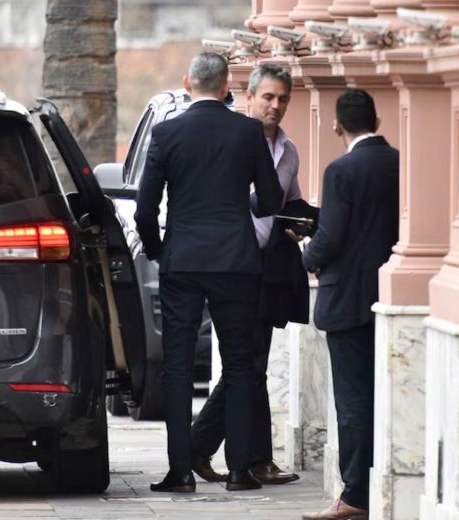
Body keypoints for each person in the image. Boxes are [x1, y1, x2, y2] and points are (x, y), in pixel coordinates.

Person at [135, 52, 284, 493]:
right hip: (235, 262)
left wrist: (161, 250)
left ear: (187, 84)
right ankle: (240, 470)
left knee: (177, 368)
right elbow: (272, 200)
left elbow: (146, 209)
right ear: (226, 89)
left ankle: (180, 472)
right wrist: (245, 206)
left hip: (182, 260)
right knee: (239, 363)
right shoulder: (248, 131)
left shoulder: (166, 133)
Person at [190, 62, 311, 486]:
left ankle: (241, 455)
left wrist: (306, 222)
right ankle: (208, 447)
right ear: (248, 97)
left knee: (251, 365)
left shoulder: (289, 152)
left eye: (282, 100)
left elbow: (289, 202)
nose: (275, 106)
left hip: (268, 269)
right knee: (248, 364)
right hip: (232, 266)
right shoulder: (229, 141)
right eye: (268, 97)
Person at [300, 89, 399, 520]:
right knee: (379, 398)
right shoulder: (398, 162)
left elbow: (331, 236)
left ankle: (354, 495)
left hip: (347, 300)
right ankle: (372, 483)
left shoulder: (341, 170)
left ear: (337, 125)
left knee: (353, 402)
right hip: (389, 296)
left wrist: (305, 256)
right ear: (377, 121)